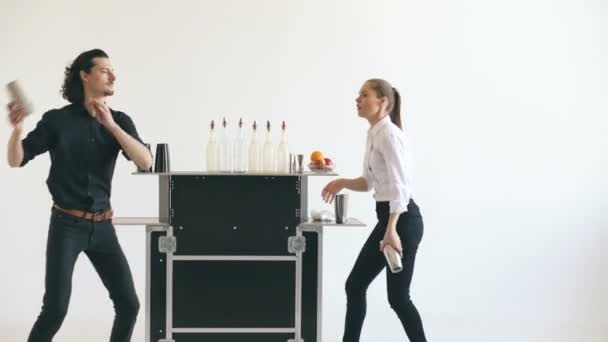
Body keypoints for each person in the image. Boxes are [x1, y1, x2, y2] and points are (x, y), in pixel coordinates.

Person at [6, 49, 153, 342]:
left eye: (113, 70)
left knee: (129, 305)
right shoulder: (57, 120)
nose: (113, 75)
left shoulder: (120, 120)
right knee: (55, 309)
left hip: (103, 227)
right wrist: (17, 128)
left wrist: (110, 126)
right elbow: (16, 159)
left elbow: (145, 161)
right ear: (84, 75)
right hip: (66, 225)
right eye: (104, 70)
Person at [322, 79, 427, 341]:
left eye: (364, 95)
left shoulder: (389, 136)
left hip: (402, 221)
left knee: (398, 298)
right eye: (358, 95)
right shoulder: (374, 134)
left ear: (383, 102)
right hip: (391, 219)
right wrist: (341, 182)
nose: (357, 99)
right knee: (356, 286)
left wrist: (391, 231)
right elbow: (369, 182)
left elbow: (400, 188)